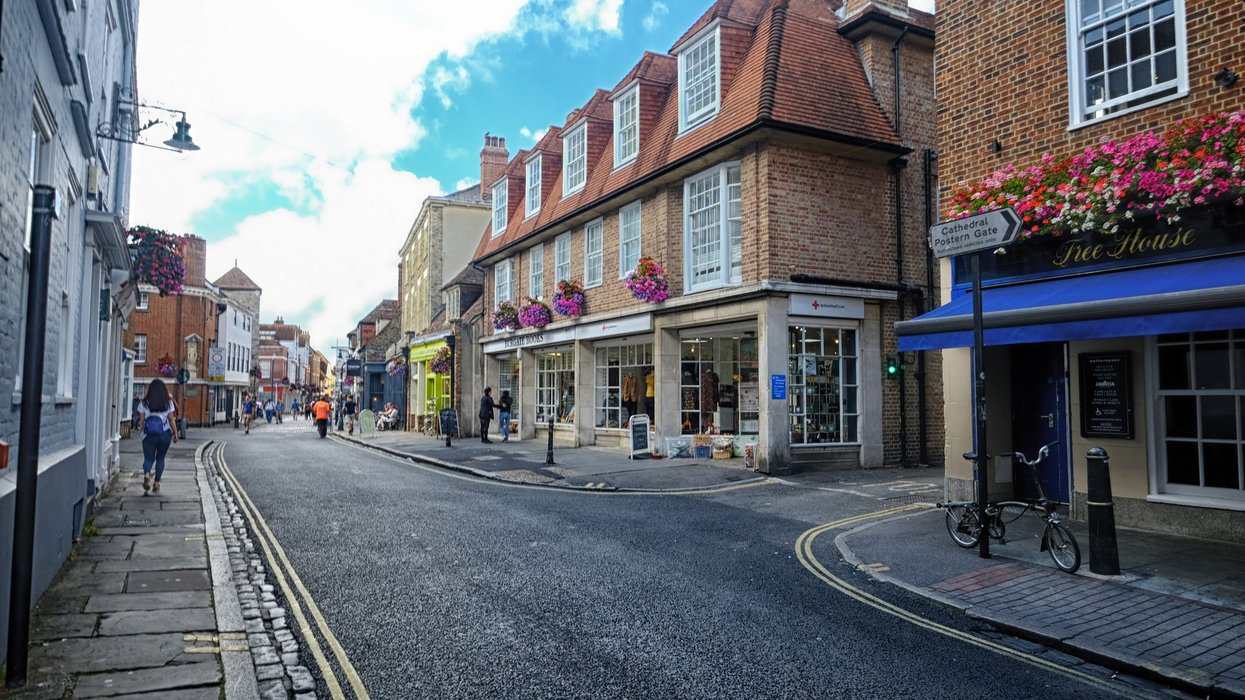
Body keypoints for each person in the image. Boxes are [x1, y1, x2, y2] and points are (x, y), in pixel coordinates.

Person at [136, 379, 178, 494]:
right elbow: (171, 419)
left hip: (149, 434)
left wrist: (142, 431)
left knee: (148, 459)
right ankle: (156, 483)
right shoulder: (168, 403)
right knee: (160, 458)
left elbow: (141, 422)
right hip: (164, 434)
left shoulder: (144, 403)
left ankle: (146, 474)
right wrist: (175, 433)